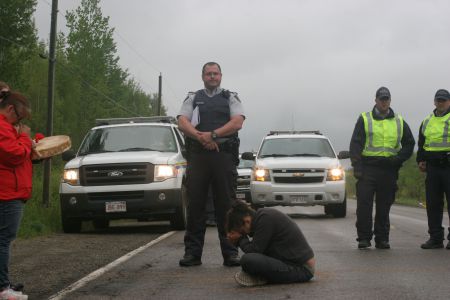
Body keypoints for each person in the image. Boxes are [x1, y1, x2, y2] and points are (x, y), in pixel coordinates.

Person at [177, 62, 245, 267]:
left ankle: (231, 253)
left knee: (226, 206)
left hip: (223, 157)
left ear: (221, 76)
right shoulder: (192, 97)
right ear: (202, 76)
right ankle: (192, 254)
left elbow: (238, 122)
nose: (212, 77)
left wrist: (213, 135)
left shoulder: (230, 97)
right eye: (209, 74)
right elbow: (182, 121)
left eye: (215, 73)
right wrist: (201, 137)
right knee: (196, 205)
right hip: (198, 158)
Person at [350, 87, 415, 249]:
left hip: (388, 170)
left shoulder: (399, 121)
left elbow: (409, 143)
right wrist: (357, 167)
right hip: (368, 169)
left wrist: (398, 159)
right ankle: (364, 239)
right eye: (381, 99)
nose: (384, 102)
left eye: (386, 99)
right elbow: (355, 144)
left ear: (390, 101)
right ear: (376, 100)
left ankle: (382, 239)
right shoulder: (365, 119)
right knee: (364, 206)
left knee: (384, 207)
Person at [226, 201, 315, 287]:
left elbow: (254, 251)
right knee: (251, 262)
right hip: (292, 264)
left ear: (247, 221)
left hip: (303, 269)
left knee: (247, 260)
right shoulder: (263, 217)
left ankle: (262, 278)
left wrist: (241, 238)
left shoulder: (265, 218)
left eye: (241, 231)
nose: (244, 234)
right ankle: (263, 276)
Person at [0, 87, 33, 300]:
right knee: (3, 239)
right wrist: (24, 138)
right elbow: (13, 155)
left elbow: (20, 153)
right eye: (19, 117)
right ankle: (3, 289)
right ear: (10, 108)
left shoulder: (8, 128)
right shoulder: (3, 127)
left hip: (12, 190)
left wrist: (30, 144)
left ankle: (4, 283)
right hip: (7, 193)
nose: (19, 123)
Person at [417, 89, 450, 249]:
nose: (441, 103)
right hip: (433, 168)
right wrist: (421, 160)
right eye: (438, 100)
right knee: (433, 204)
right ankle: (436, 238)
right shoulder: (427, 121)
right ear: (434, 102)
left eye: (444, 100)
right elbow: (422, 142)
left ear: (449, 102)